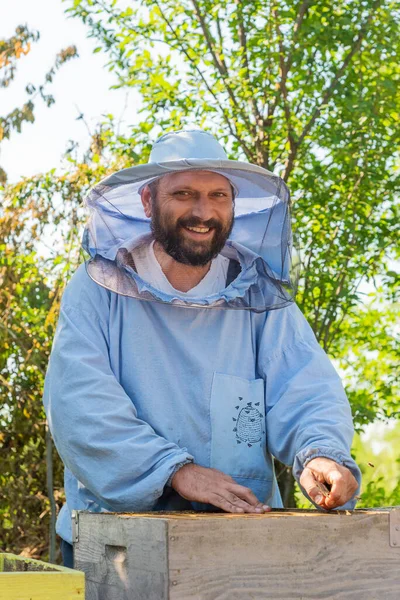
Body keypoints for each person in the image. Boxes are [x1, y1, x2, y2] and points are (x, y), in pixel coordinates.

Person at [43, 129, 360, 567]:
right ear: (148, 202)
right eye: (184, 194)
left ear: (233, 205)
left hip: (237, 535)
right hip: (116, 541)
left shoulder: (257, 295)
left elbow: (302, 385)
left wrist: (319, 452)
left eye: (217, 196)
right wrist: (176, 471)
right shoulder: (98, 290)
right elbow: (80, 404)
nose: (202, 212)